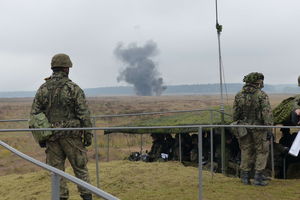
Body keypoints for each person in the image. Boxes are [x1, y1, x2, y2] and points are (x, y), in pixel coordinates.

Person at [30, 53, 93, 200]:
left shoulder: (42, 89)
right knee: (80, 169)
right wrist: (88, 136)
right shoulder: (74, 88)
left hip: (52, 137)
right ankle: (87, 197)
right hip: (72, 137)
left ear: (53, 68)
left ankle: (61, 197)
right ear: (66, 68)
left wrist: (42, 137)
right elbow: (84, 115)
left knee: (57, 173)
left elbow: (34, 115)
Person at [233, 72, 273, 186]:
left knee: (246, 150)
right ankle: (258, 178)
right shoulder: (261, 95)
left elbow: (235, 115)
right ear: (258, 82)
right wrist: (269, 129)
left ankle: (245, 177)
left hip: (244, 128)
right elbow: (267, 114)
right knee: (262, 151)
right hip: (259, 128)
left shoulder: (239, 95)